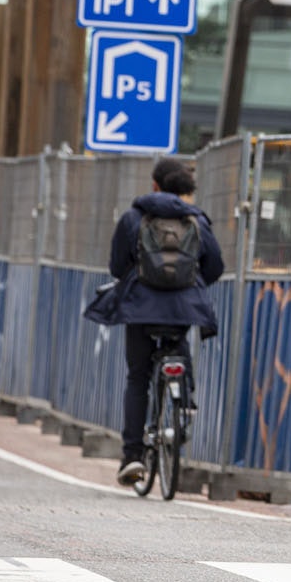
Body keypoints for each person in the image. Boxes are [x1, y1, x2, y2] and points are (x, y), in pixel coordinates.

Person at [89, 157, 225, 486]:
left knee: (138, 378)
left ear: (154, 184)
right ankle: (184, 403)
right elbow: (215, 266)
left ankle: (132, 457)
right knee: (177, 346)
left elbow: (117, 265)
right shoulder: (196, 220)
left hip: (140, 307)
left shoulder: (133, 217)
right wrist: (188, 285)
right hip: (184, 307)